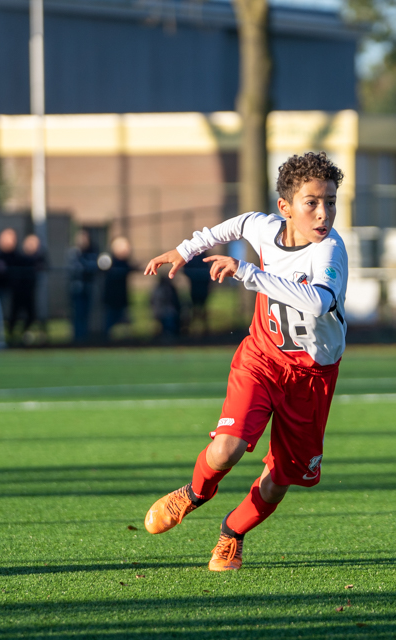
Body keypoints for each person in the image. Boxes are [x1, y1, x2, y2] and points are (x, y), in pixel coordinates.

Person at [142, 152, 348, 572]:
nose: (323, 213)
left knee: (279, 482)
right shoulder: (263, 226)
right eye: (312, 202)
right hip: (261, 357)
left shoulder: (329, 250)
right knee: (225, 450)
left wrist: (246, 272)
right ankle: (194, 493)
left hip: (311, 377)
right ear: (285, 208)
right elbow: (231, 225)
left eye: (330, 201)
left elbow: (318, 301)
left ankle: (231, 533)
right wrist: (185, 250)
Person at [8, 234, 42, 340]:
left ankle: (23, 333)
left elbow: (44, 264)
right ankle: (11, 336)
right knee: (14, 315)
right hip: (18, 291)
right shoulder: (19, 256)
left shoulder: (38, 257)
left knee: (31, 316)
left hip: (29, 291)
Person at [67, 230, 98, 343]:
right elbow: (75, 268)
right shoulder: (74, 252)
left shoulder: (92, 252)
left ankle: (84, 337)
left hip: (88, 286)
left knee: (86, 313)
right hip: (77, 287)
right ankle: (77, 337)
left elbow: (93, 266)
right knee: (77, 313)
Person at [102, 236, 135, 338]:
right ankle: (106, 341)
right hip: (112, 298)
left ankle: (125, 341)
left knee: (124, 323)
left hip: (122, 297)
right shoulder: (109, 261)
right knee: (110, 322)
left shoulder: (125, 263)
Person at [183, 253, 212, 334]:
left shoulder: (205, 256)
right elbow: (185, 269)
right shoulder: (191, 257)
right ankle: (191, 329)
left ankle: (205, 329)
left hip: (203, 287)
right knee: (194, 308)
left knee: (202, 308)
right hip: (195, 287)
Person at [150, 275, 182, 340]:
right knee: (169, 321)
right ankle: (168, 337)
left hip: (168, 311)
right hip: (163, 312)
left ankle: (171, 337)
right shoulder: (160, 290)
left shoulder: (170, 288)